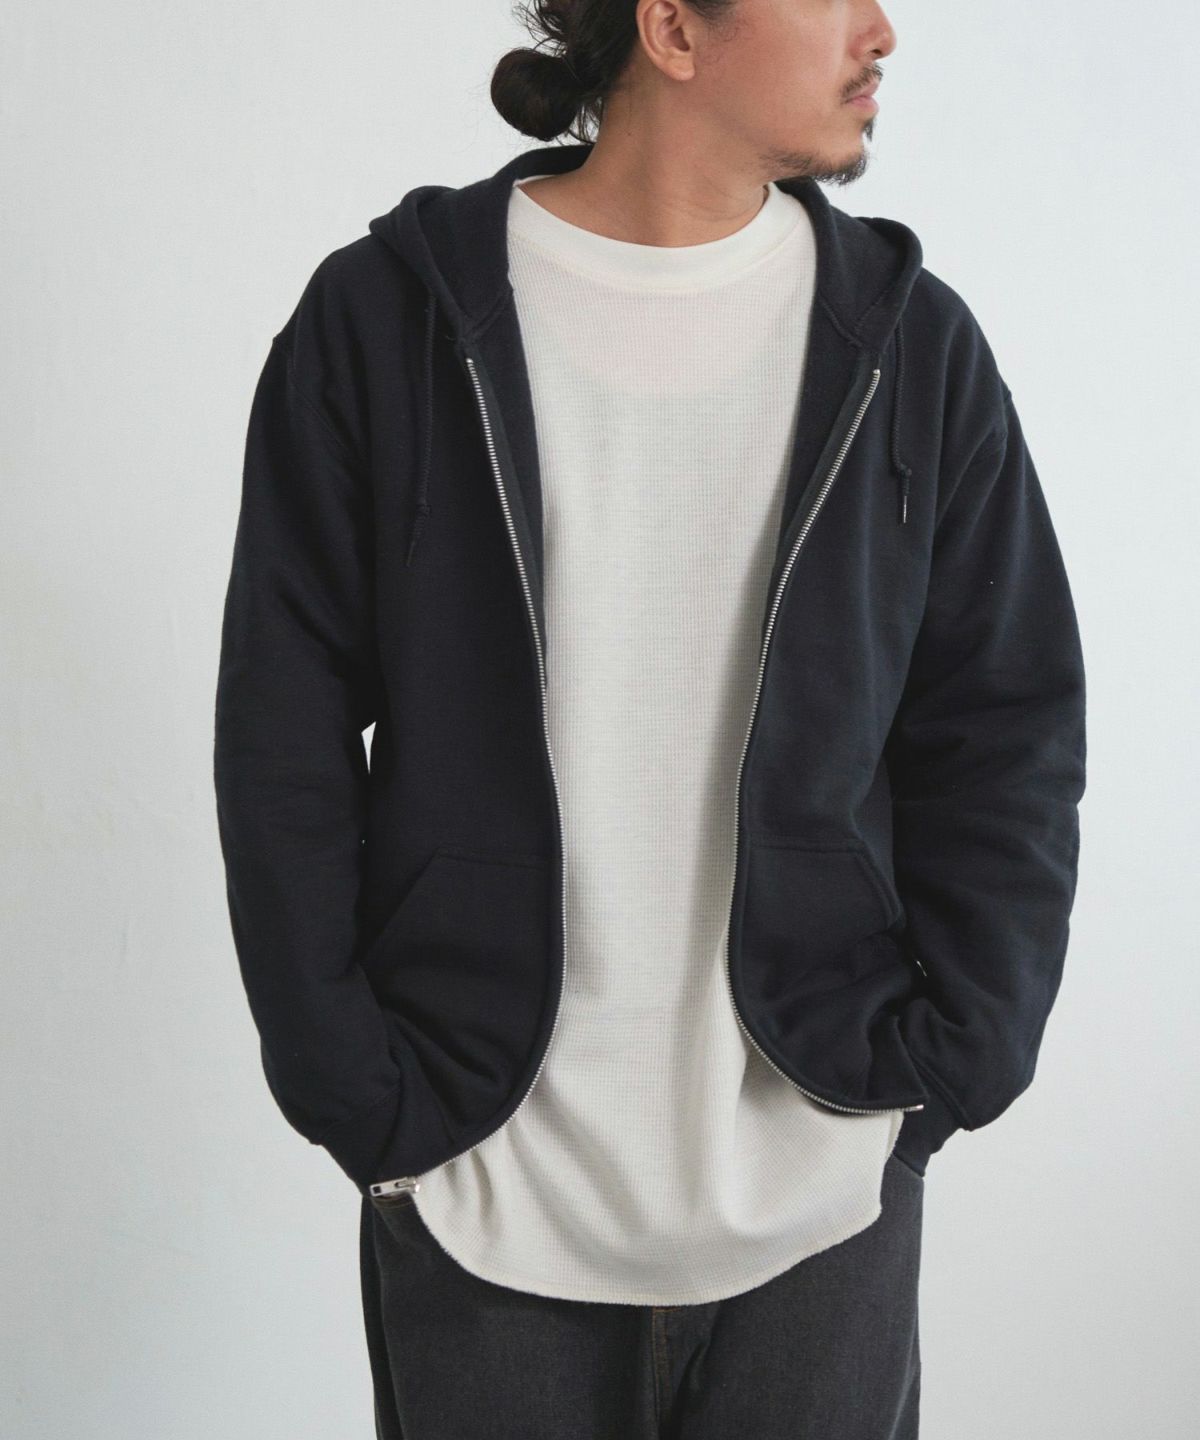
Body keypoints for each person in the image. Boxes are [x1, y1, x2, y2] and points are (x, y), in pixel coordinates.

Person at [212, 1, 1087, 1435]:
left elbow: (1005, 728)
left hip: (820, 1177)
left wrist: (954, 1061)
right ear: (673, 28)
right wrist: (354, 1086)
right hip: (483, 1173)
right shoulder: (387, 320)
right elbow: (284, 737)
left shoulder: (909, 345)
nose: (881, 30)